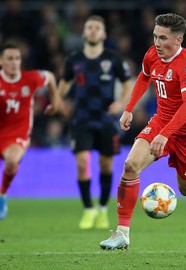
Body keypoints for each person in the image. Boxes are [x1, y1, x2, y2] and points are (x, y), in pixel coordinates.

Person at [100, 13, 186, 250]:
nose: (157, 43)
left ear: (178, 40)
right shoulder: (152, 54)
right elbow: (144, 77)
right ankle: (122, 233)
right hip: (160, 122)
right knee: (130, 165)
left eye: (163, 38)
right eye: (155, 36)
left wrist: (165, 135)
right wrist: (129, 109)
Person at [58, 15, 133, 229]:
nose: (92, 31)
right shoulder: (74, 60)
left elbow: (128, 83)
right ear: (83, 33)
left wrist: (121, 103)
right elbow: (62, 85)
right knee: (82, 164)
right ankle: (88, 209)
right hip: (81, 119)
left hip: (106, 120)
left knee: (106, 165)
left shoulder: (113, 59)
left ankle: (102, 209)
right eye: (89, 27)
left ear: (104, 34)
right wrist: (58, 102)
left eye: (97, 28)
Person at [0, 42, 59, 220]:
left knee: (11, 161)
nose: (14, 62)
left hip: (17, 133)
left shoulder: (30, 78)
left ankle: (2, 195)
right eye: (10, 58)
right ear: (1, 61)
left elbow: (50, 77)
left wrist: (54, 102)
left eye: (17, 58)